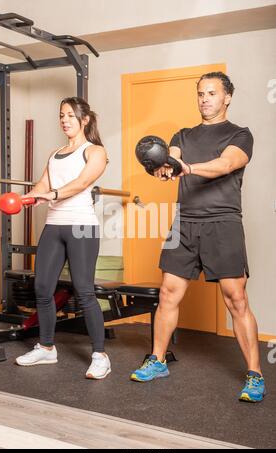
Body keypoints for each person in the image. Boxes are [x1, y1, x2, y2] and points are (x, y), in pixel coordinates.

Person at [131, 72, 265, 402]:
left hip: (223, 223)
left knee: (236, 298)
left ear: (227, 97)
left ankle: (255, 373)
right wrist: (163, 166)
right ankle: (158, 360)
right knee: (168, 293)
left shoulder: (240, 134)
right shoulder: (184, 134)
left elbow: (224, 165)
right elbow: (173, 156)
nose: (204, 99)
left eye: (212, 93)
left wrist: (186, 168)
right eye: (200, 93)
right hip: (185, 223)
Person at [16, 97, 111, 380]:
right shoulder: (56, 153)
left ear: (85, 120)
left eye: (70, 115)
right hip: (54, 226)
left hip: (81, 226)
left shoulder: (95, 151)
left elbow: (82, 183)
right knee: (43, 288)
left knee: (84, 291)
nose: (65, 120)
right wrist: (29, 197)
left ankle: (100, 355)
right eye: (61, 115)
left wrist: (52, 195)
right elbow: (43, 184)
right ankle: (46, 347)